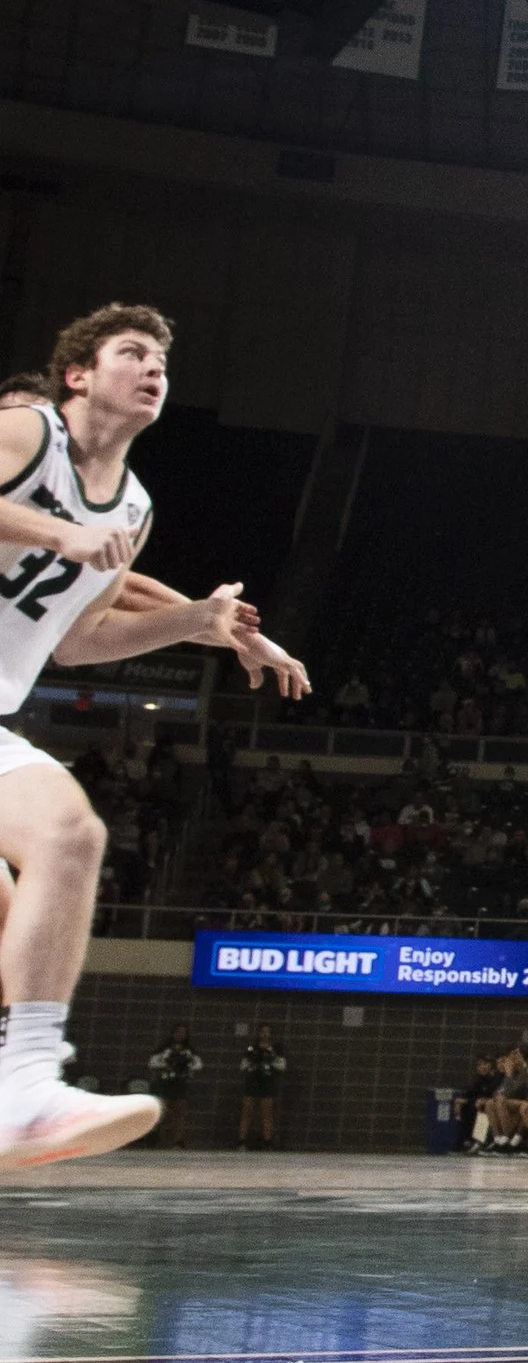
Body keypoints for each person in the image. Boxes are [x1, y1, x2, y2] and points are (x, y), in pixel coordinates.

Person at [0, 305, 306, 1170]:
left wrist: (200, 622)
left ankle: (25, 1093)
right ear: (77, 375)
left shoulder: (131, 505)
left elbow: (80, 638)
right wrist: (63, 532)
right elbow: (66, 538)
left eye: (161, 360)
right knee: (56, 846)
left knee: (62, 849)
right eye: (131, 352)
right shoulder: (27, 431)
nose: (153, 368)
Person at [146, 1024, 200, 1149]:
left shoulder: (189, 1051)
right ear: (172, 1033)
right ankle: (156, 1137)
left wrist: (185, 1066)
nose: (180, 1035)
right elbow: (152, 1063)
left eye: (183, 1033)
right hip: (164, 1084)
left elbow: (198, 1064)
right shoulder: (164, 1049)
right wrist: (167, 1064)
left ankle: (178, 1140)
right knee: (162, 1111)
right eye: (178, 1032)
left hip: (179, 1084)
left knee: (179, 1112)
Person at [234, 1023, 285, 1151]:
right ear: (258, 1033)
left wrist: (270, 1061)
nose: (265, 1034)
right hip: (252, 1082)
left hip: (267, 1083)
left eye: (267, 1032)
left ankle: (268, 1141)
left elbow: (282, 1065)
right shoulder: (252, 1049)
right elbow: (243, 1065)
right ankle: (241, 1141)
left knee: (267, 1113)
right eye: (262, 1031)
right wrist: (253, 1063)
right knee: (247, 1112)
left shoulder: (275, 1049)